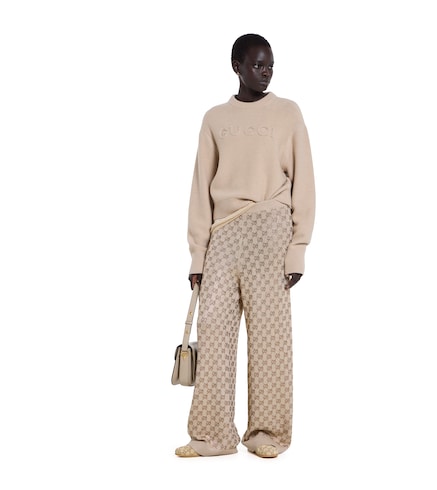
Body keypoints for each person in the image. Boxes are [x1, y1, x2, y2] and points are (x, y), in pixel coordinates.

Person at [175, 33, 315, 458]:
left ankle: (267, 435)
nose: (266, 72)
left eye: (270, 65)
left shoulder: (288, 113)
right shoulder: (215, 118)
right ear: (236, 66)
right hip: (223, 233)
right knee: (214, 332)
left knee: (270, 339)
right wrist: (198, 255)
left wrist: (298, 247)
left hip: (271, 230)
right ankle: (213, 436)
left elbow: (305, 182)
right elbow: (201, 185)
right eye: (257, 65)